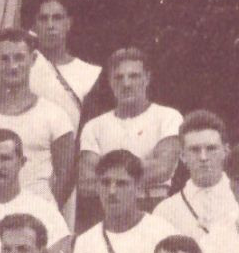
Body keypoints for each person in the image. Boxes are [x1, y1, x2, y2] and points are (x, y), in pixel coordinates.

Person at [0, 29, 76, 218]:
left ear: (32, 60)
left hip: (35, 217)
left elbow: (67, 175)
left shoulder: (55, 116)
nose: (13, 66)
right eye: (4, 58)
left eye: (19, 57)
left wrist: (46, 211)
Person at [25, 0, 103, 218]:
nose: (50, 25)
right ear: (34, 25)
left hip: (65, 175)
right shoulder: (21, 68)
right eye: (43, 18)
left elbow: (86, 138)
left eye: (57, 18)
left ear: (69, 23)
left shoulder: (89, 74)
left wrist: (60, 191)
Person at [78, 47, 183, 208]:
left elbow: (162, 169)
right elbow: (86, 182)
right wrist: (143, 166)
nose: (126, 83)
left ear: (147, 78)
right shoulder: (94, 127)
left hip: (153, 204)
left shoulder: (168, 117)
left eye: (134, 76)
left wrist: (107, 174)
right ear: (110, 81)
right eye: (119, 77)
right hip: (109, 209)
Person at [152, 110, 239, 240]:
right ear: (182, 156)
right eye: (194, 150)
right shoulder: (166, 211)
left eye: (211, 148)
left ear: (226, 151)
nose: (203, 157)